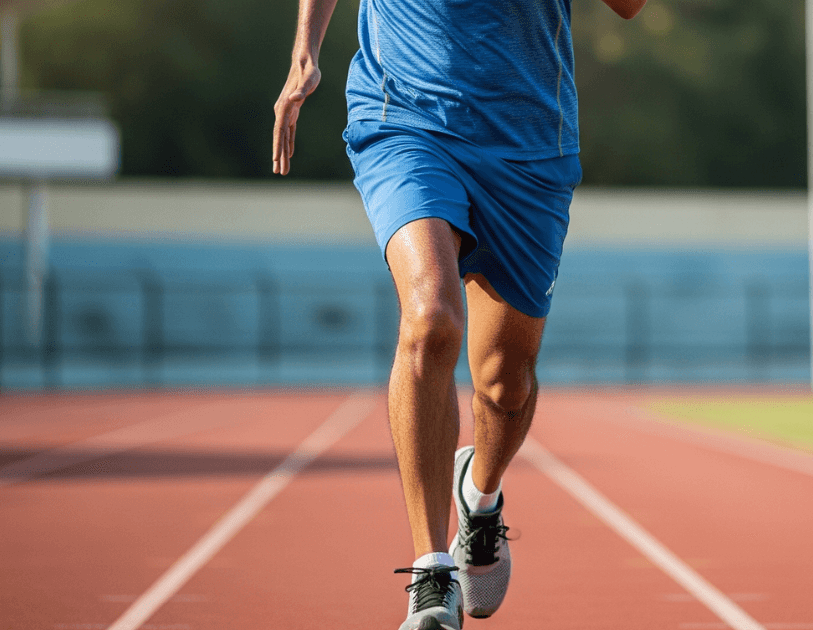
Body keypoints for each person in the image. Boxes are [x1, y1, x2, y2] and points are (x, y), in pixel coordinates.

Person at [272, 0, 645, 627]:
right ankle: (431, 570)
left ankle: (482, 492)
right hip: (406, 118)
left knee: (505, 382)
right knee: (431, 320)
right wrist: (305, 49)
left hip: (529, 144)